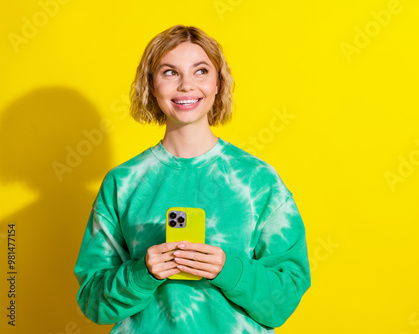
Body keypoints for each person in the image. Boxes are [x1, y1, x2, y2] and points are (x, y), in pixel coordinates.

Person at [74, 24, 311, 334]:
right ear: (151, 85)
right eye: (170, 72)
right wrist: (141, 273)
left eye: (200, 71)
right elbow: (94, 303)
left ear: (218, 84)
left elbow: (286, 297)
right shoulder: (124, 182)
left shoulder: (257, 180)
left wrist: (229, 270)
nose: (186, 85)